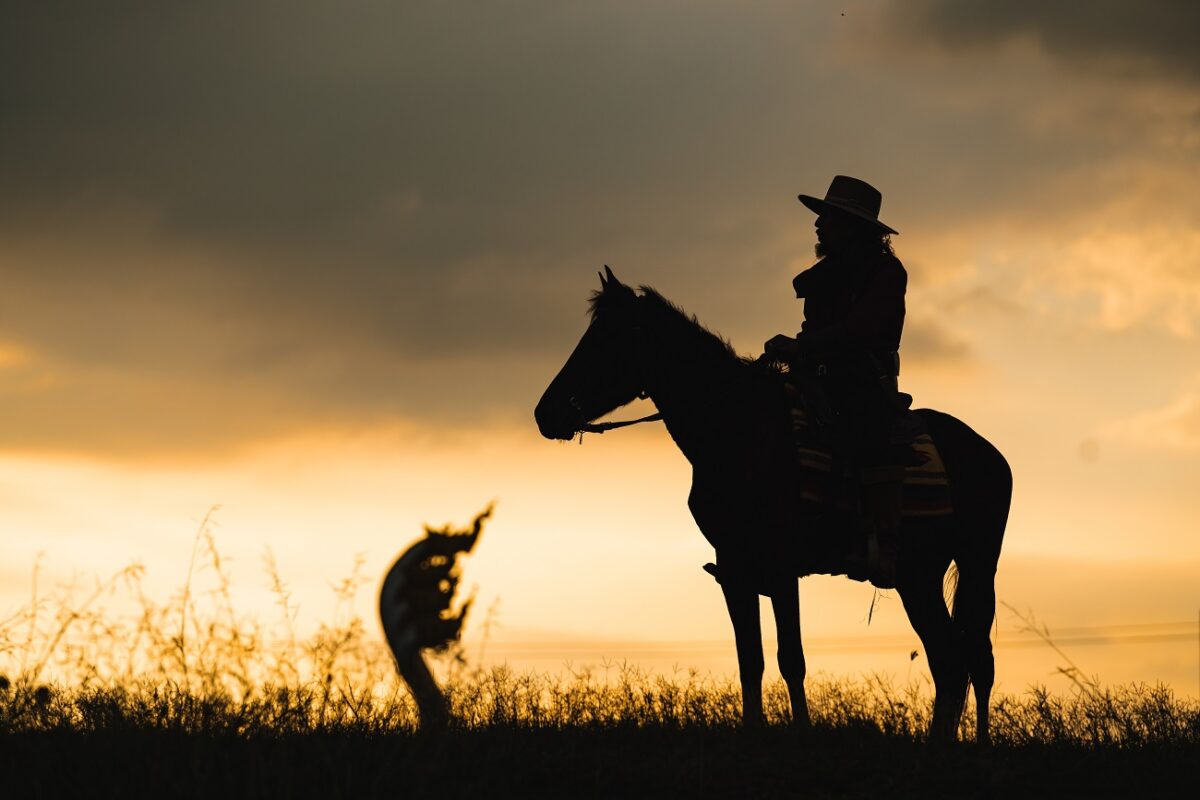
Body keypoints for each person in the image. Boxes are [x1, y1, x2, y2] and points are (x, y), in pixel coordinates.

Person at [764, 175, 907, 588]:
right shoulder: (823, 276)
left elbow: (860, 331)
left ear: (851, 226)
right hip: (818, 373)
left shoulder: (885, 273)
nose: (817, 226)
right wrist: (796, 351)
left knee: (868, 429)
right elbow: (816, 330)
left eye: (827, 218)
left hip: (863, 379)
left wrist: (800, 348)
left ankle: (881, 540)